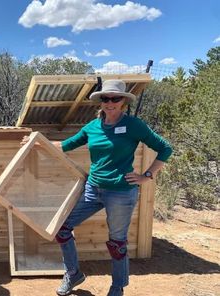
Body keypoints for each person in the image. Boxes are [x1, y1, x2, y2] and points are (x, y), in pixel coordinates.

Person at [22, 79, 172, 296]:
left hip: (121, 193)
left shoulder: (133, 125)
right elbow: (64, 146)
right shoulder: (92, 127)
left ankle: (117, 286)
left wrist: (146, 175)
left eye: (115, 98)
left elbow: (165, 149)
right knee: (62, 228)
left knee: (117, 242)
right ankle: (73, 273)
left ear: (123, 102)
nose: (110, 102)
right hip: (93, 189)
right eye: (106, 98)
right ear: (100, 101)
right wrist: (34, 142)